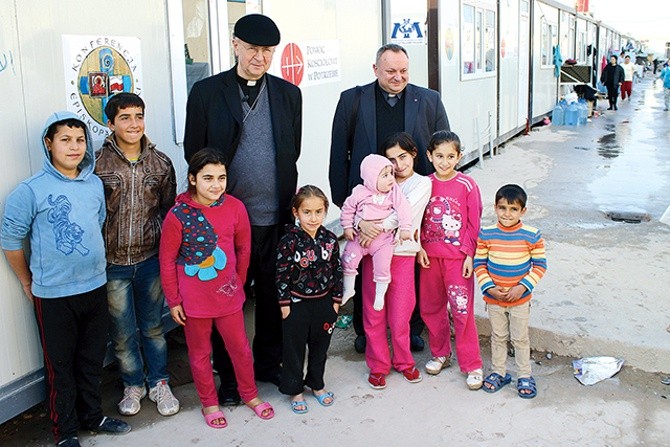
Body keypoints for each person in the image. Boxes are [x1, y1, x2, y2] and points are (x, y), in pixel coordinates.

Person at [183, 13, 302, 404]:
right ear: (235, 45)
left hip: (274, 217)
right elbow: (194, 153)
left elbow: (291, 151)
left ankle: (266, 365)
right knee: (226, 300)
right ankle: (232, 377)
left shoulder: (288, 95)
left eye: (268, 51)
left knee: (271, 296)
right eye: (252, 48)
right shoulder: (206, 92)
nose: (260, 57)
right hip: (224, 224)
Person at [1, 112, 131, 447]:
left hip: (94, 287)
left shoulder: (92, 183)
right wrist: (26, 281)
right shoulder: (30, 190)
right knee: (60, 367)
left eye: (79, 139)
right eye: (65, 140)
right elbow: (11, 240)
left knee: (90, 361)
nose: (74, 147)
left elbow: (97, 223)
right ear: (49, 143)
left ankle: (92, 416)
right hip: (54, 295)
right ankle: (65, 432)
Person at [329, 43, 449, 353]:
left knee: (409, 270)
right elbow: (338, 156)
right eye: (391, 71)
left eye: (404, 71)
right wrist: (350, 212)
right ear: (375, 70)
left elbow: (441, 151)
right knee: (368, 267)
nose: (398, 77)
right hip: (368, 204)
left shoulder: (429, 101)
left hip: (413, 199)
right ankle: (365, 330)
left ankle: (411, 328)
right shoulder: (352, 101)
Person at [159, 148, 274, 429]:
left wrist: (239, 281)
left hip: (228, 296)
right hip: (193, 301)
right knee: (199, 354)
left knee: (240, 349)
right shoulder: (178, 215)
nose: (216, 185)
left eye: (221, 178)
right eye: (208, 178)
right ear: (193, 179)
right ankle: (209, 402)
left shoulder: (235, 207)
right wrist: (173, 300)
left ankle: (250, 394)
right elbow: (167, 259)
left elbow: (243, 248)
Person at [95, 93, 179, 417]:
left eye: (138, 116)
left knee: (153, 327)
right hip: (112, 264)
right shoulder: (97, 164)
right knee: (122, 332)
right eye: (125, 117)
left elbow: (169, 211)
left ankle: (159, 381)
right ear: (111, 122)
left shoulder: (161, 163)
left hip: (150, 261)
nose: (133, 123)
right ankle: (133, 384)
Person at [361, 132, 431, 390]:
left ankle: (403, 361)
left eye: (403, 157)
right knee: (373, 311)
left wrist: (370, 225)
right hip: (374, 253)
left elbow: (401, 215)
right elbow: (357, 207)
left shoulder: (422, 184)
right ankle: (378, 365)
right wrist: (359, 223)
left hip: (402, 254)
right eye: (392, 161)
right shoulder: (377, 183)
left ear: (413, 153)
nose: (399, 166)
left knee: (401, 314)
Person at [417, 130, 484, 390]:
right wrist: (419, 247)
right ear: (429, 156)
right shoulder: (424, 184)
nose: (444, 162)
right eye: (439, 156)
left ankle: (472, 363)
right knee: (431, 308)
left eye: (450, 156)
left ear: (459, 156)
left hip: (457, 261)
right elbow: (416, 220)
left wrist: (469, 254)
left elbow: (473, 223)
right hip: (430, 259)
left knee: (462, 311)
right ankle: (441, 353)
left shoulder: (467, 185)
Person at [474, 184, 547, 399]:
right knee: (498, 335)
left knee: (520, 338)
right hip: (494, 298)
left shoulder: (532, 235)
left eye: (513, 209)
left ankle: (524, 375)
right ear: (495, 208)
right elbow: (479, 263)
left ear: (523, 211)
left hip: (520, 299)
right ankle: (499, 372)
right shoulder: (486, 233)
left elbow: (540, 265)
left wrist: (522, 287)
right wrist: (490, 288)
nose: (507, 214)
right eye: (502, 208)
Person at [276, 185, 342, 414]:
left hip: (324, 304)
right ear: (296, 212)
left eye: (318, 212)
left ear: (325, 212)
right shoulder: (289, 241)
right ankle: (295, 390)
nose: (313, 218)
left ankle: (317, 384)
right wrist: (284, 303)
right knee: (294, 351)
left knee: (320, 348)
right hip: (296, 305)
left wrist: (336, 300)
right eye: (307, 212)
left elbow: (337, 270)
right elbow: (281, 273)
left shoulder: (330, 239)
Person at [340, 154, 412, 311]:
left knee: (383, 265)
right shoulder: (359, 192)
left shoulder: (394, 192)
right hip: (359, 237)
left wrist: (405, 228)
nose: (391, 179)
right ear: (372, 178)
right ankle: (349, 289)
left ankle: (380, 295)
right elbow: (348, 209)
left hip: (383, 239)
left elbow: (404, 208)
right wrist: (347, 227)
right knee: (348, 259)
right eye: (385, 176)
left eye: (391, 174)